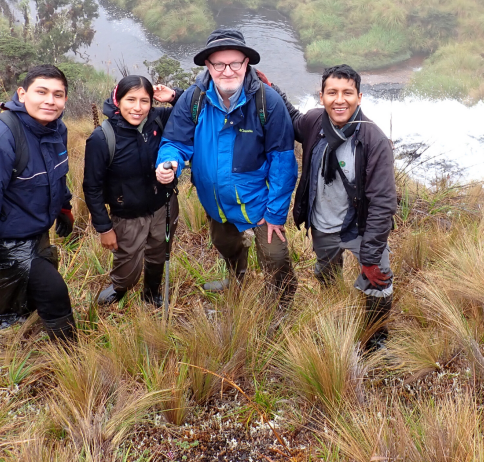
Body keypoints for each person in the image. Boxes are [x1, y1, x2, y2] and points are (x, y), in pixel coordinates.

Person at [155, 28, 298, 300]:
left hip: (257, 199)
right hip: (215, 201)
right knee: (224, 243)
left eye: (235, 63)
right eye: (219, 64)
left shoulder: (267, 101)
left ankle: (282, 301)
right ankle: (237, 279)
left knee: (275, 256)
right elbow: (175, 141)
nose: (227, 70)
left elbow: (283, 161)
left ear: (246, 64)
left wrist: (276, 212)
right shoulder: (193, 99)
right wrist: (168, 162)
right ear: (208, 66)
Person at [273, 64, 397, 352]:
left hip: (360, 227)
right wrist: (270, 88)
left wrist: (369, 255)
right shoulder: (315, 122)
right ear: (321, 96)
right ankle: (334, 306)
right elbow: (292, 119)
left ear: (359, 97)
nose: (339, 100)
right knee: (326, 273)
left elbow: (382, 202)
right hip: (322, 223)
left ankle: (376, 337)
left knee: (378, 280)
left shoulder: (373, 140)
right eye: (332, 93)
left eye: (347, 93)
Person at [0, 65, 77, 342]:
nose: (50, 100)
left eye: (58, 94)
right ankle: (70, 356)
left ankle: (36, 333)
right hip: (2, 241)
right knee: (54, 291)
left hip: (32, 231)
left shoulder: (56, 129)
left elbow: (56, 173)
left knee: (35, 292)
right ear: (22, 94)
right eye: (41, 92)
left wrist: (64, 206)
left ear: (65, 100)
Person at [83, 76, 183, 307]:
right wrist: (104, 227)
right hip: (127, 214)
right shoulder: (102, 138)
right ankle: (120, 286)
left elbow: (193, 111)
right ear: (117, 100)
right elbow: (92, 187)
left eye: (144, 101)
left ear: (152, 102)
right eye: (130, 100)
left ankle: (151, 291)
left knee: (159, 252)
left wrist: (174, 96)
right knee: (127, 263)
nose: (138, 108)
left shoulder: (159, 119)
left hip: (163, 205)